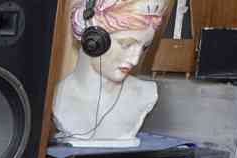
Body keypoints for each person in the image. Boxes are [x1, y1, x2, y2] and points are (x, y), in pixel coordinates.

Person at [53, 0, 171, 147]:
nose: (135, 60)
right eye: (126, 44)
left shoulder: (146, 94)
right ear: (93, 39)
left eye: (144, 47)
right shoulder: (54, 98)